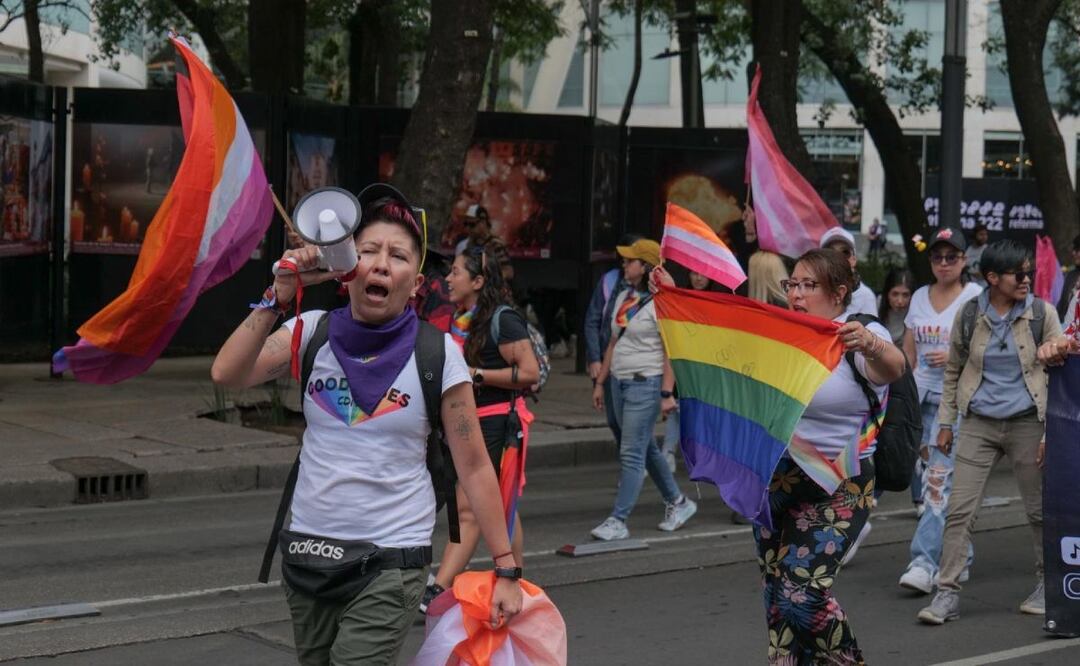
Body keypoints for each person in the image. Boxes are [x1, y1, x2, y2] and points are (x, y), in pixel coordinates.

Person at [210, 185, 521, 664]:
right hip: (308, 554)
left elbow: (476, 466)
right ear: (347, 270)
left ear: (414, 283)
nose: (380, 263)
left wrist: (506, 568)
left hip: (390, 562)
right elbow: (227, 374)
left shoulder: (438, 355)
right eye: (369, 250)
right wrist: (278, 295)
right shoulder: (310, 332)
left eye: (398, 256)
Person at [759, 248, 906, 663]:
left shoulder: (855, 335)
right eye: (793, 284)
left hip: (840, 482)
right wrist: (671, 297)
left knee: (801, 597)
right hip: (778, 479)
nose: (797, 294)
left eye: (810, 285)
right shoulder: (785, 331)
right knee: (777, 600)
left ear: (839, 292)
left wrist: (872, 342)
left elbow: (895, 366)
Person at [918, 240, 1062, 625]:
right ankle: (946, 593)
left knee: (1038, 510)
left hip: (1029, 422)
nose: (1026, 279)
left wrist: (1057, 350)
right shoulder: (969, 315)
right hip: (978, 423)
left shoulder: (1040, 313)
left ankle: (1047, 586)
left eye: (1029, 271)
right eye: (1018, 273)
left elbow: (1059, 361)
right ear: (993, 278)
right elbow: (954, 371)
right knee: (959, 511)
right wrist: (945, 424)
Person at [426, 244, 540, 612]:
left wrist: (476, 374)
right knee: (503, 504)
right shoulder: (461, 318)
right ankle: (515, 578)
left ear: (477, 280)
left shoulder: (502, 319)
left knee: (470, 508)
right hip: (465, 422)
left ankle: (437, 587)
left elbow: (529, 373)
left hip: (496, 422)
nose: (448, 278)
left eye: (456, 272)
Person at [589, 239, 698, 541]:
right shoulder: (626, 296)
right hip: (618, 382)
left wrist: (666, 393)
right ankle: (679, 502)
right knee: (644, 447)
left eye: (630, 261)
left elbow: (670, 351)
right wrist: (600, 383)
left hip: (644, 383)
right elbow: (614, 341)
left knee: (631, 453)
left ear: (647, 267)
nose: (624, 265)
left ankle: (618, 520)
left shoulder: (663, 304)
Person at [897, 227, 984, 596]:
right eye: (937, 257)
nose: (944, 263)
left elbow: (992, 350)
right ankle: (960, 554)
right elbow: (908, 352)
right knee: (937, 480)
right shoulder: (918, 297)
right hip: (918, 400)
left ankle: (924, 563)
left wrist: (955, 355)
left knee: (937, 481)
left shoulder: (977, 297)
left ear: (965, 260)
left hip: (956, 403)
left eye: (952, 257)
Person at [583, 233, 644, 447]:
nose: (626, 263)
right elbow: (592, 320)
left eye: (632, 259)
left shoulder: (650, 294)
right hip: (609, 361)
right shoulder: (610, 282)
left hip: (637, 367)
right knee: (614, 419)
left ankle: (633, 461)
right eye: (625, 259)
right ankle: (633, 458)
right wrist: (594, 359)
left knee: (631, 421)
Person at [820, 227, 877, 316]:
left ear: (854, 259)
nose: (838, 257)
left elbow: (873, 329)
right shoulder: (812, 292)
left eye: (845, 252)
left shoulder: (866, 296)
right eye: (829, 252)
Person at [879, 268, 915, 348]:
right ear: (887, 293)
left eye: (905, 295)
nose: (900, 301)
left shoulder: (917, 310)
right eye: (895, 294)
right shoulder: (876, 306)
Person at [1055, 234, 1080, 323]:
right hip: (1065, 330)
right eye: (1074, 249)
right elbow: (1061, 306)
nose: (1074, 253)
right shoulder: (1071, 275)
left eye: (1077, 250)